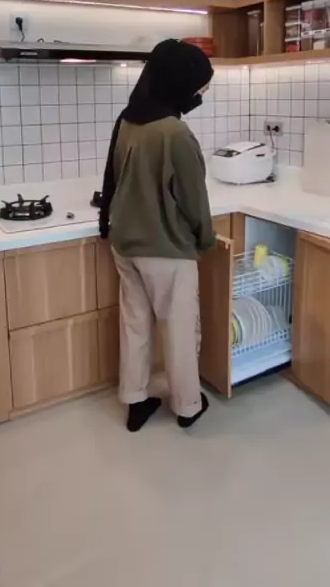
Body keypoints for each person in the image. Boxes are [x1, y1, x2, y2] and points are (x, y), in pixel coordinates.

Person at [100, 39, 215, 432]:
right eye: (199, 87)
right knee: (180, 329)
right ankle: (188, 405)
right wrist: (205, 239)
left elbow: (113, 177)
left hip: (125, 245)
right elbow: (194, 199)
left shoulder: (128, 119)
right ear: (178, 82)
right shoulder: (174, 132)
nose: (200, 95)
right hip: (166, 250)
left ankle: (135, 401)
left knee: (135, 325)